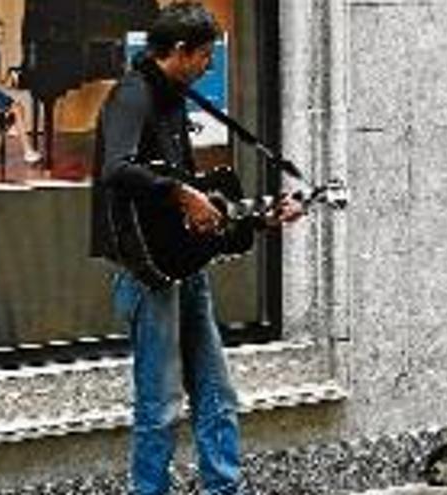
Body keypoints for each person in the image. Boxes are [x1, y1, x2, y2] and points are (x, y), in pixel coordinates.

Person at [89, 3, 302, 494]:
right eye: (205, 55)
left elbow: (190, 218)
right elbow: (116, 169)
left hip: (184, 272)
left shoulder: (174, 99)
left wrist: (261, 218)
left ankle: (223, 488)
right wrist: (180, 192)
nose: (210, 65)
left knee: (218, 394)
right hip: (147, 278)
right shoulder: (132, 95)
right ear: (179, 52)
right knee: (160, 405)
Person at [0, 18, 41, 164]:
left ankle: (7, 134)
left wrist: (9, 76)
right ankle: (27, 151)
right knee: (17, 108)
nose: (0, 37)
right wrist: (11, 91)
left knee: (18, 108)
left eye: (1, 34)